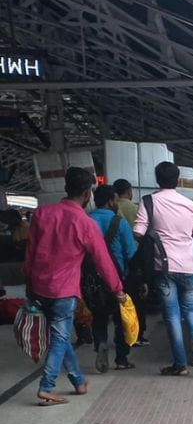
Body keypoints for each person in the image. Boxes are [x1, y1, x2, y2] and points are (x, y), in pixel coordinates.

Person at [23, 169, 126, 405]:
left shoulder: (42, 214)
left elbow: (29, 253)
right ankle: (46, 386)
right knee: (60, 338)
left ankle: (79, 381)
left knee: (60, 336)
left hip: (39, 287)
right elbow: (103, 261)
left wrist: (29, 281)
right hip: (63, 290)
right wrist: (117, 289)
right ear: (88, 193)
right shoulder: (85, 223)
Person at [134, 161, 193, 375]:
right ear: (178, 179)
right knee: (191, 310)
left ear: (156, 179)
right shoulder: (190, 205)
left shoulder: (149, 202)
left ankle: (180, 365)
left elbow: (138, 233)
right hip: (188, 267)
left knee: (172, 315)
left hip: (163, 268)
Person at [88, 186, 136, 372]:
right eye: (116, 200)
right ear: (110, 201)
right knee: (120, 318)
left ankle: (100, 343)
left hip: (93, 280)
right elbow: (130, 252)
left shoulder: (87, 220)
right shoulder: (119, 222)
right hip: (118, 278)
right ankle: (122, 359)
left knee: (99, 316)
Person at [112, 178, 149, 345]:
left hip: (111, 262)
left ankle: (116, 335)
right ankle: (137, 334)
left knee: (117, 303)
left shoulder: (111, 208)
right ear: (129, 192)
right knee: (136, 299)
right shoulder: (135, 209)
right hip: (133, 260)